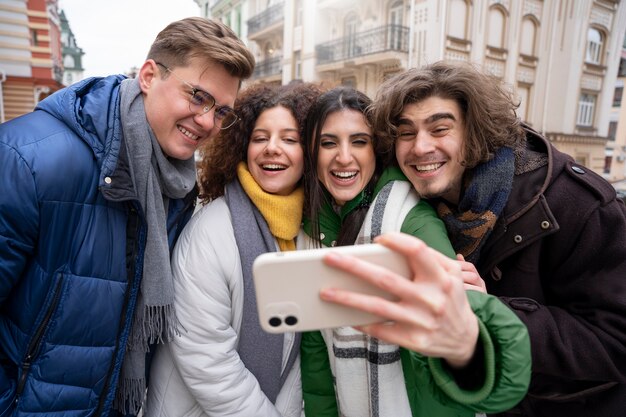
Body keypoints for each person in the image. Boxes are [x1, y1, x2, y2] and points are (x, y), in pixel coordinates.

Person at [319, 60, 626, 416]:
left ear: (474, 131)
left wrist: (488, 312)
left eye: (439, 129)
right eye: (406, 132)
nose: (420, 147)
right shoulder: (427, 202)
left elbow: (617, 339)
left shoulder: (573, 204)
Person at [0, 17, 254, 416]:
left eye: (222, 111)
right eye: (198, 97)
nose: (207, 121)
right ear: (150, 76)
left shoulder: (178, 186)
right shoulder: (30, 159)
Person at [299, 87, 531, 416]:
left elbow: (471, 323)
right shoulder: (311, 230)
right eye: (328, 143)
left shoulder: (409, 218)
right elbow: (316, 360)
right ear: (312, 152)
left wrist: (469, 345)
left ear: (376, 150)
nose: (344, 157)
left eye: (359, 141)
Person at [145, 82, 323, 417]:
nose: (272, 148)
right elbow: (207, 359)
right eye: (259, 138)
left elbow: (299, 354)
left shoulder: (311, 232)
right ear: (242, 148)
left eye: (289, 139)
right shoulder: (211, 231)